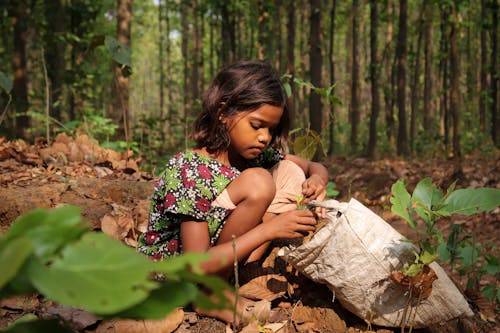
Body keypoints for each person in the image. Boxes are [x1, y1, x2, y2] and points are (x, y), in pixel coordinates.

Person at [137, 60, 329, 324]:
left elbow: (312, 165)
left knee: (288, 171)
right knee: (260, 183)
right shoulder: (189, 170)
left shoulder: (253, 156)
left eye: (271, 129)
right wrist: (271, 230)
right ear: (223, 112)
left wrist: (317, 179)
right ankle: (210, 296)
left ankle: (223, 286)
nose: (264, 137)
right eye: (256, 125)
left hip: (219, 263)